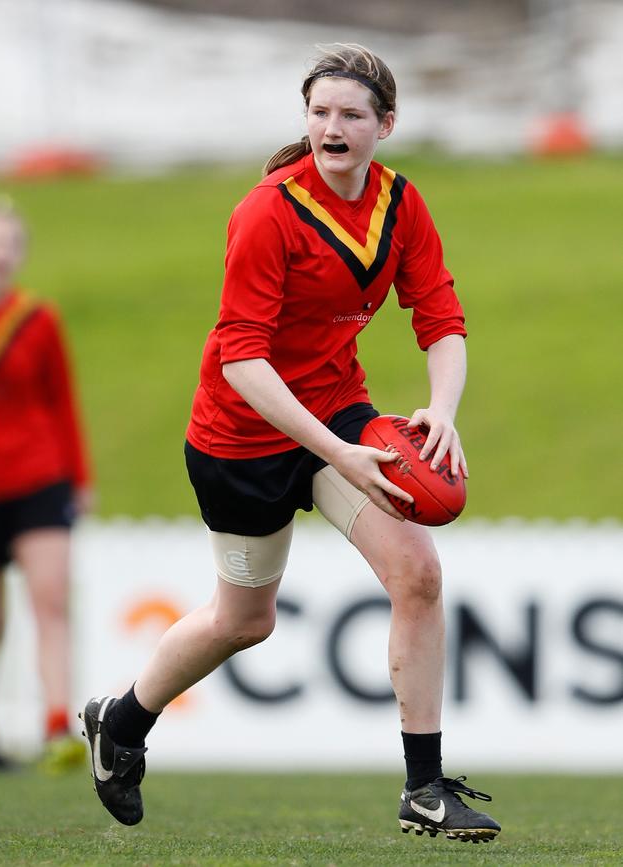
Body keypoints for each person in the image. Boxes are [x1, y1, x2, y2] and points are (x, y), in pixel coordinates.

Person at [82, 44, 501, 842]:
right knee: (244, 621)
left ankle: (424, 788)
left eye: (350, 114)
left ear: (386, 123)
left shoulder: (401, 204)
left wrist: (442, 411)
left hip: (338, 415)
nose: (331, 128)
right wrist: (335, 453)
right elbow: (242, 359)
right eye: (319, 112)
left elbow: (441, 319)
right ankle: (123, 721)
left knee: (417, 572)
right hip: (241, 436)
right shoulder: (268, 211)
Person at [0, 197, 92, 771]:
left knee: (51, 602)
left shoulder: (37, 318)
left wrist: (80, 477)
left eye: (8, 245)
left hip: (39, 478)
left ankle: (57, 728)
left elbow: (61, 401)